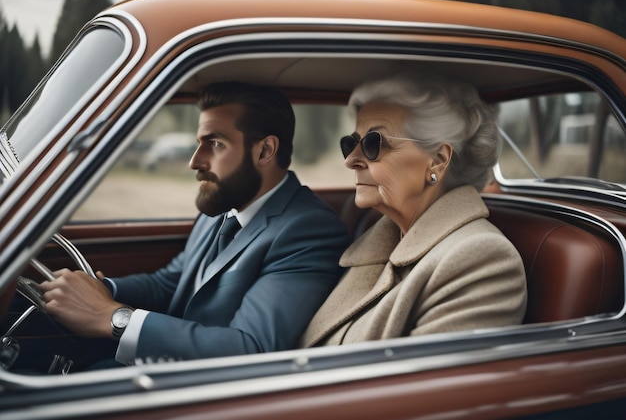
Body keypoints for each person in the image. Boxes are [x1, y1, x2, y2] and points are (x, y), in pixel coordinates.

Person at [36, 81, 350, 368]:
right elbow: (172, 282)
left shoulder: (308, 230)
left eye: (215, 143)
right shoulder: (225, 204)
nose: (195, 161)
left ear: (265, 151)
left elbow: (251, 348)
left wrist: (112, 317)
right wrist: (100, 289)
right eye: (200, 142)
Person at [300, 74, 527, 348]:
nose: (351, 160)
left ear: (437, 160)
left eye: (373, 143)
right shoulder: (382, 240)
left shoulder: (482, 259)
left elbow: (422, 387)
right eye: (351, 143)